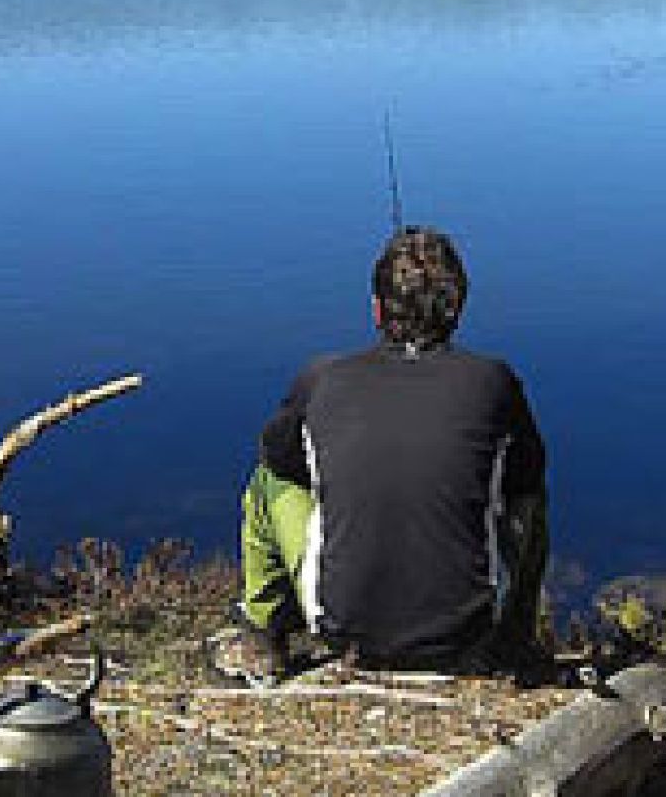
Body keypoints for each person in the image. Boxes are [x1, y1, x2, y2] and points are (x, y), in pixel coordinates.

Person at [216, 226, 549, 685]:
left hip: (342, 630)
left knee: (265, 485)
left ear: (376, 309)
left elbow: (280, 462)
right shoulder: (494, 383)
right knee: (532, 498)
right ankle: (516, 641)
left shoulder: (321, 380)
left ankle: (263, 636)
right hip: (468, 631)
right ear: (458, 310)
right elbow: (527, 481)